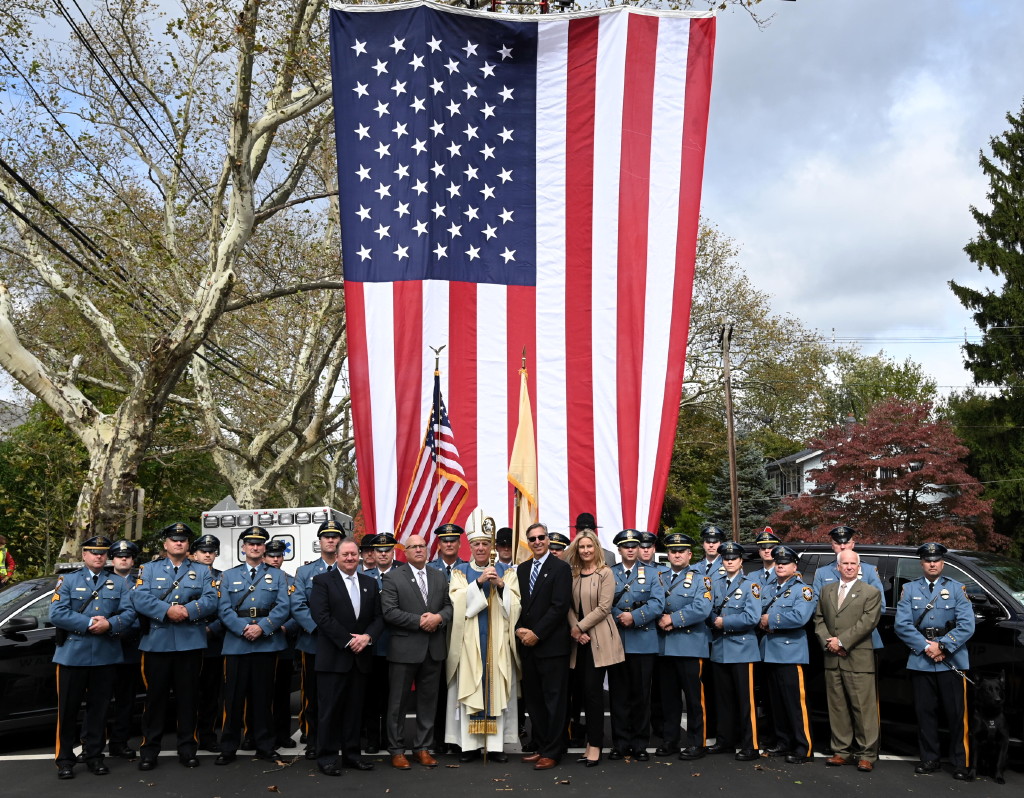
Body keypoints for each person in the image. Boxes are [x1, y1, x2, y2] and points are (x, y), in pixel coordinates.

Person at [50, 535, 137, 779]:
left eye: (102, 552)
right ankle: (65, 759)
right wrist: (89, 622)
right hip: (72, 656)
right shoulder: (67, 580)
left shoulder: (119, 584)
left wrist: (109, 624)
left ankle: (94, 756)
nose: (98, 556)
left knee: (99, 711)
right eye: (93, 552)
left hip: (105, 656)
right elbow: (57, 613)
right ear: (84, 555)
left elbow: (129, 613)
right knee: (67, 711)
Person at [133, 522, 217, 770]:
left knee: (188, 699)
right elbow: (139, 597)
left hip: (189, 643)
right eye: (174, 539)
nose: (179, 542)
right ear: (165, 544)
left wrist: (188, 611)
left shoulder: (202, 571)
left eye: (183, 539)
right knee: (155, 700)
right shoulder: (148, 569)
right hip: (156, 644)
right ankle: (149, 750)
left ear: (188, 544)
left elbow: (211, 599)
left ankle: (188, 749)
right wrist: (167, 610)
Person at [894, 542, 975, 780]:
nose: (932, 563)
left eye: (936, 560)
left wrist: (942, 646)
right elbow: (902, 624)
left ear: (942, 563)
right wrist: (926, 646)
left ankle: (961, 762)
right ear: (921, 563)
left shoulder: (957, 589)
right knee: (925, 712)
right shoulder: (909, 589)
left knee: (956, 714)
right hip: (922, 659)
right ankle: (929, 759)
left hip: (952, 659)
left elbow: (967, 625)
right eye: (928, 560)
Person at [445, 525, 521, 762]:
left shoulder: (507, 572)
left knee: (496, 690)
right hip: (471, 642)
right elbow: (457, 602)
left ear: (492, 548)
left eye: (485, 544)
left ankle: (495, 747)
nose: (480, 548)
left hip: (497, 640)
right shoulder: (460, 571)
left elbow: (516, 605)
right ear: (471, 547)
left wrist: (500, 586)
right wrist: (477, 583)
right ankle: (469, 746)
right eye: (476, 544)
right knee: (471, 688)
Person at [215, 526, 290, 765]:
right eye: (250, 543)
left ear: (264, 548)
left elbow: (283, 607)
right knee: (233, 699)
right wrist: (242, 628)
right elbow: (223, 609)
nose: (255, 547)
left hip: (266, 643)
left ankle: (265, 746)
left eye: (259, 544)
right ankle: (228, 747)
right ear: (244, 548)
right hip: (237, 643)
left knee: (263, 698)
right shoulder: (228, 575)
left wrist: (263, 627)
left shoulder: (278, 576)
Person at [310, 538, 383, 776]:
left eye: (354, 554)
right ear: (338, 557)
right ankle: (328, 758)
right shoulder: (322, 582)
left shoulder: (370, 583)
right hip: (334, 658)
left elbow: (379, 617)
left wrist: (367, 637)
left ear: (359, 556)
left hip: (360, 658)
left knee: (355, 711)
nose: (350, 558)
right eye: (346, 555)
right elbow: (321, 616)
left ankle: (352, 755)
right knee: (330, 711)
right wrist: (348, 640)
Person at [382, 533, 453, 770]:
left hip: (433, 650)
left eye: (422, 546)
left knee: (428, 702)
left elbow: (449, 607)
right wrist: (420, 621)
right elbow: (389, 612)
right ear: (405, 552)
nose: (419, 550)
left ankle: (423, 748)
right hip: (404, 649)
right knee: (398, 704)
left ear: (428, 549)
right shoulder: (393, 578)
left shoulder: (438, 576)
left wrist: (439, 618)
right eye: (413, 547)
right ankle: (397, 750)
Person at [812, 549, 882, 772]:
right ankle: (841, 750)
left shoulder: (870, 592)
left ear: (859, 567)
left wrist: (842, 642)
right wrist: (829, 642)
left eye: (854, 563)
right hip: (832, 658)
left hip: (858, 657)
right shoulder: (826, 590)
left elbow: (868, 622)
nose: (850, 567)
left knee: (863, 709)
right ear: (838, 567)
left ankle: (866, 754)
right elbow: (819, 619)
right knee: (837, 707)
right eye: (845, 564)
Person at [515, 521, 573, 770]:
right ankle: (541, 745)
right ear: (528, 543)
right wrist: (518, 628)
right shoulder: (523, 569)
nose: (537, 541)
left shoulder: (561, 568)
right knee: (534, 701)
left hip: (551, 646)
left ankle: (554, 750)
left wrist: (536, 633)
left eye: (541, 537)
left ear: (548, 540)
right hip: (527, 646)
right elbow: (518, 603)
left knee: (554, 701)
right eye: (532, 538)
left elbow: (559, 607)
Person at [566, 529, 624, 766]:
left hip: (599, 640)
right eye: (582, 547)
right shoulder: (574, 575)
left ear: (596, 548)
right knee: (581, 694)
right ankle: (589, 743)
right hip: (579, 642)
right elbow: (568, 606)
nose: (586, 550)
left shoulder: (605, 573)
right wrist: (576, 630)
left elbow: (604, 608)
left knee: (593, 695)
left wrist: (579, 627)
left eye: (590, 546)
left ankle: (596, 745)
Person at [608, 528, 665, 761]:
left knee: (642, 696)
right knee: (618, 697)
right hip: (617, 642)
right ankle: (620, 743)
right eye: (626, 546)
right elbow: (601, 601)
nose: (631, 549)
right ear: (619, 550)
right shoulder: (608, 574)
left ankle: (640, 744)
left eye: (634, 545)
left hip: (643, 641)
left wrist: (635, 617)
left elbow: (658, 602)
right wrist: (618, 615)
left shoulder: (653, 574)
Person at [655, 533, 712, 761]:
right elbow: (651, 601)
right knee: (668, 698)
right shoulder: (659, 577)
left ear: (690, 554)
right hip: (665, 646)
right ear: (668, 554)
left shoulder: (702, 579)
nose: (676, 554)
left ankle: (698, 742)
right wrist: (660, 617)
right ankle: (670, 740)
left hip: (690, 645)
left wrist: (673, 619)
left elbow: (702, 609)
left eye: (681, 551)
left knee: (694, 699)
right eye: (672, 551)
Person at [757, 545, 815, 764]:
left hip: (791, 653)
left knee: (795, 704)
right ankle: (782, 742)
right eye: (778, 563)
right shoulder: (769, 589)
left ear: (795, 566)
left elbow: (800, 617)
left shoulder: (804, 590)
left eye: (785, 563)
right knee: (776, 703)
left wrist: (770, 620)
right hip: (769, 652)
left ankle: (804, 747)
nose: (780, 566)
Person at [292, 519, 344, 760]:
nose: (330, 540)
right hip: (313, 643)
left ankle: (337, 738)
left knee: (340, 694)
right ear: (320, 541)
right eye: (326, 537)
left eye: (335, 537)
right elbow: (298, 605)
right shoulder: (305, 572)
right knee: (312, 695)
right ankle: (312, 739)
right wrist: (319, 630)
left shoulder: (352, 569)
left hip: (343, 645)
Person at [706, 541, 761, 761]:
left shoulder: (751, 585)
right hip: (720, 649)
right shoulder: (715, 583)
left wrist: (723, 622)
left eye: (733, 558)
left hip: (742, 649)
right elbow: (708, 610)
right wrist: (714, 621)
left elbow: (752, 617)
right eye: (726, 558)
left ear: (741, 562)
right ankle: (725, 741)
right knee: (723, 700)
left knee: (745, 702)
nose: (729, 561)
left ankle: (751, 745)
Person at [813, 526, 886, 649]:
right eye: (837, 543)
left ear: (853, 544)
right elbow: (816, 608)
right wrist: (833, 641)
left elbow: (881, 607)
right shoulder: (822, 573)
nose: (842, 546)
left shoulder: (869, 571)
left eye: (846, 542)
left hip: (863, 641)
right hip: (830, 641)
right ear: (832, 546)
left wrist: (845, 639)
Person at [362, 532, 401, 753]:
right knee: (370, 696)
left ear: (392, 552)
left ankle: (390, 737)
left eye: (387, 551)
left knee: (392, 696)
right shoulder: (365, 577)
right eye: (379, 551)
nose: (383, 554)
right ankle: (372, 739)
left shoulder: (403, 574)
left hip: (395, 643)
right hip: (370, 646)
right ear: (373, 554)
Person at [428, 522, 465, 753]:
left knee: (461, 690)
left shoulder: (468, 568)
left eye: (453, 540)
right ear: (439, 544)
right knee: (436, 690)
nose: (449, 544)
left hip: (462, 637)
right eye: (444, 540)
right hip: (436, 637)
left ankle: (460, 739)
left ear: (460, 543)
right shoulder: (430, 569)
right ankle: (438, 739)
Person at [105, 539, 142, 760]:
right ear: (113, 559)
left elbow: (144, 613)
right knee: (99, 701)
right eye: (119, 556)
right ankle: (93, 745)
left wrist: (121, 629)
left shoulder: (142, 582)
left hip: (130, 648)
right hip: (104, 647)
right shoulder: (103, 581)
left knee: (125, 700)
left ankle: (119, 742)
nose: (124, 559)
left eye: (127, 556)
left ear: (133, 560)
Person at [189, 533, 225, 753]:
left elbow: (228, 609)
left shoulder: (224, 577)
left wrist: (213, 629)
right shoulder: (186, 576)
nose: (208, 555)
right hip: (189, 639)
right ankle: (189, 735)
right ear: (194, 554)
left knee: (211, 695)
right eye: (203, 551)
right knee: (189, 693)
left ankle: (208, 736)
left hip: (214, 642)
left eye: (212, 551)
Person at [264, 538, 299, 749]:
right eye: (271, 556)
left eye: (279, 556)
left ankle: (283, 734)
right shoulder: (254, 579)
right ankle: (257, 733)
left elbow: (298, 611)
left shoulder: (291, 581)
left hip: (283, 642)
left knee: (282, 693)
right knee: (259, 692)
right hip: (259, 642)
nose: (275, 560)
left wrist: (286, 627)